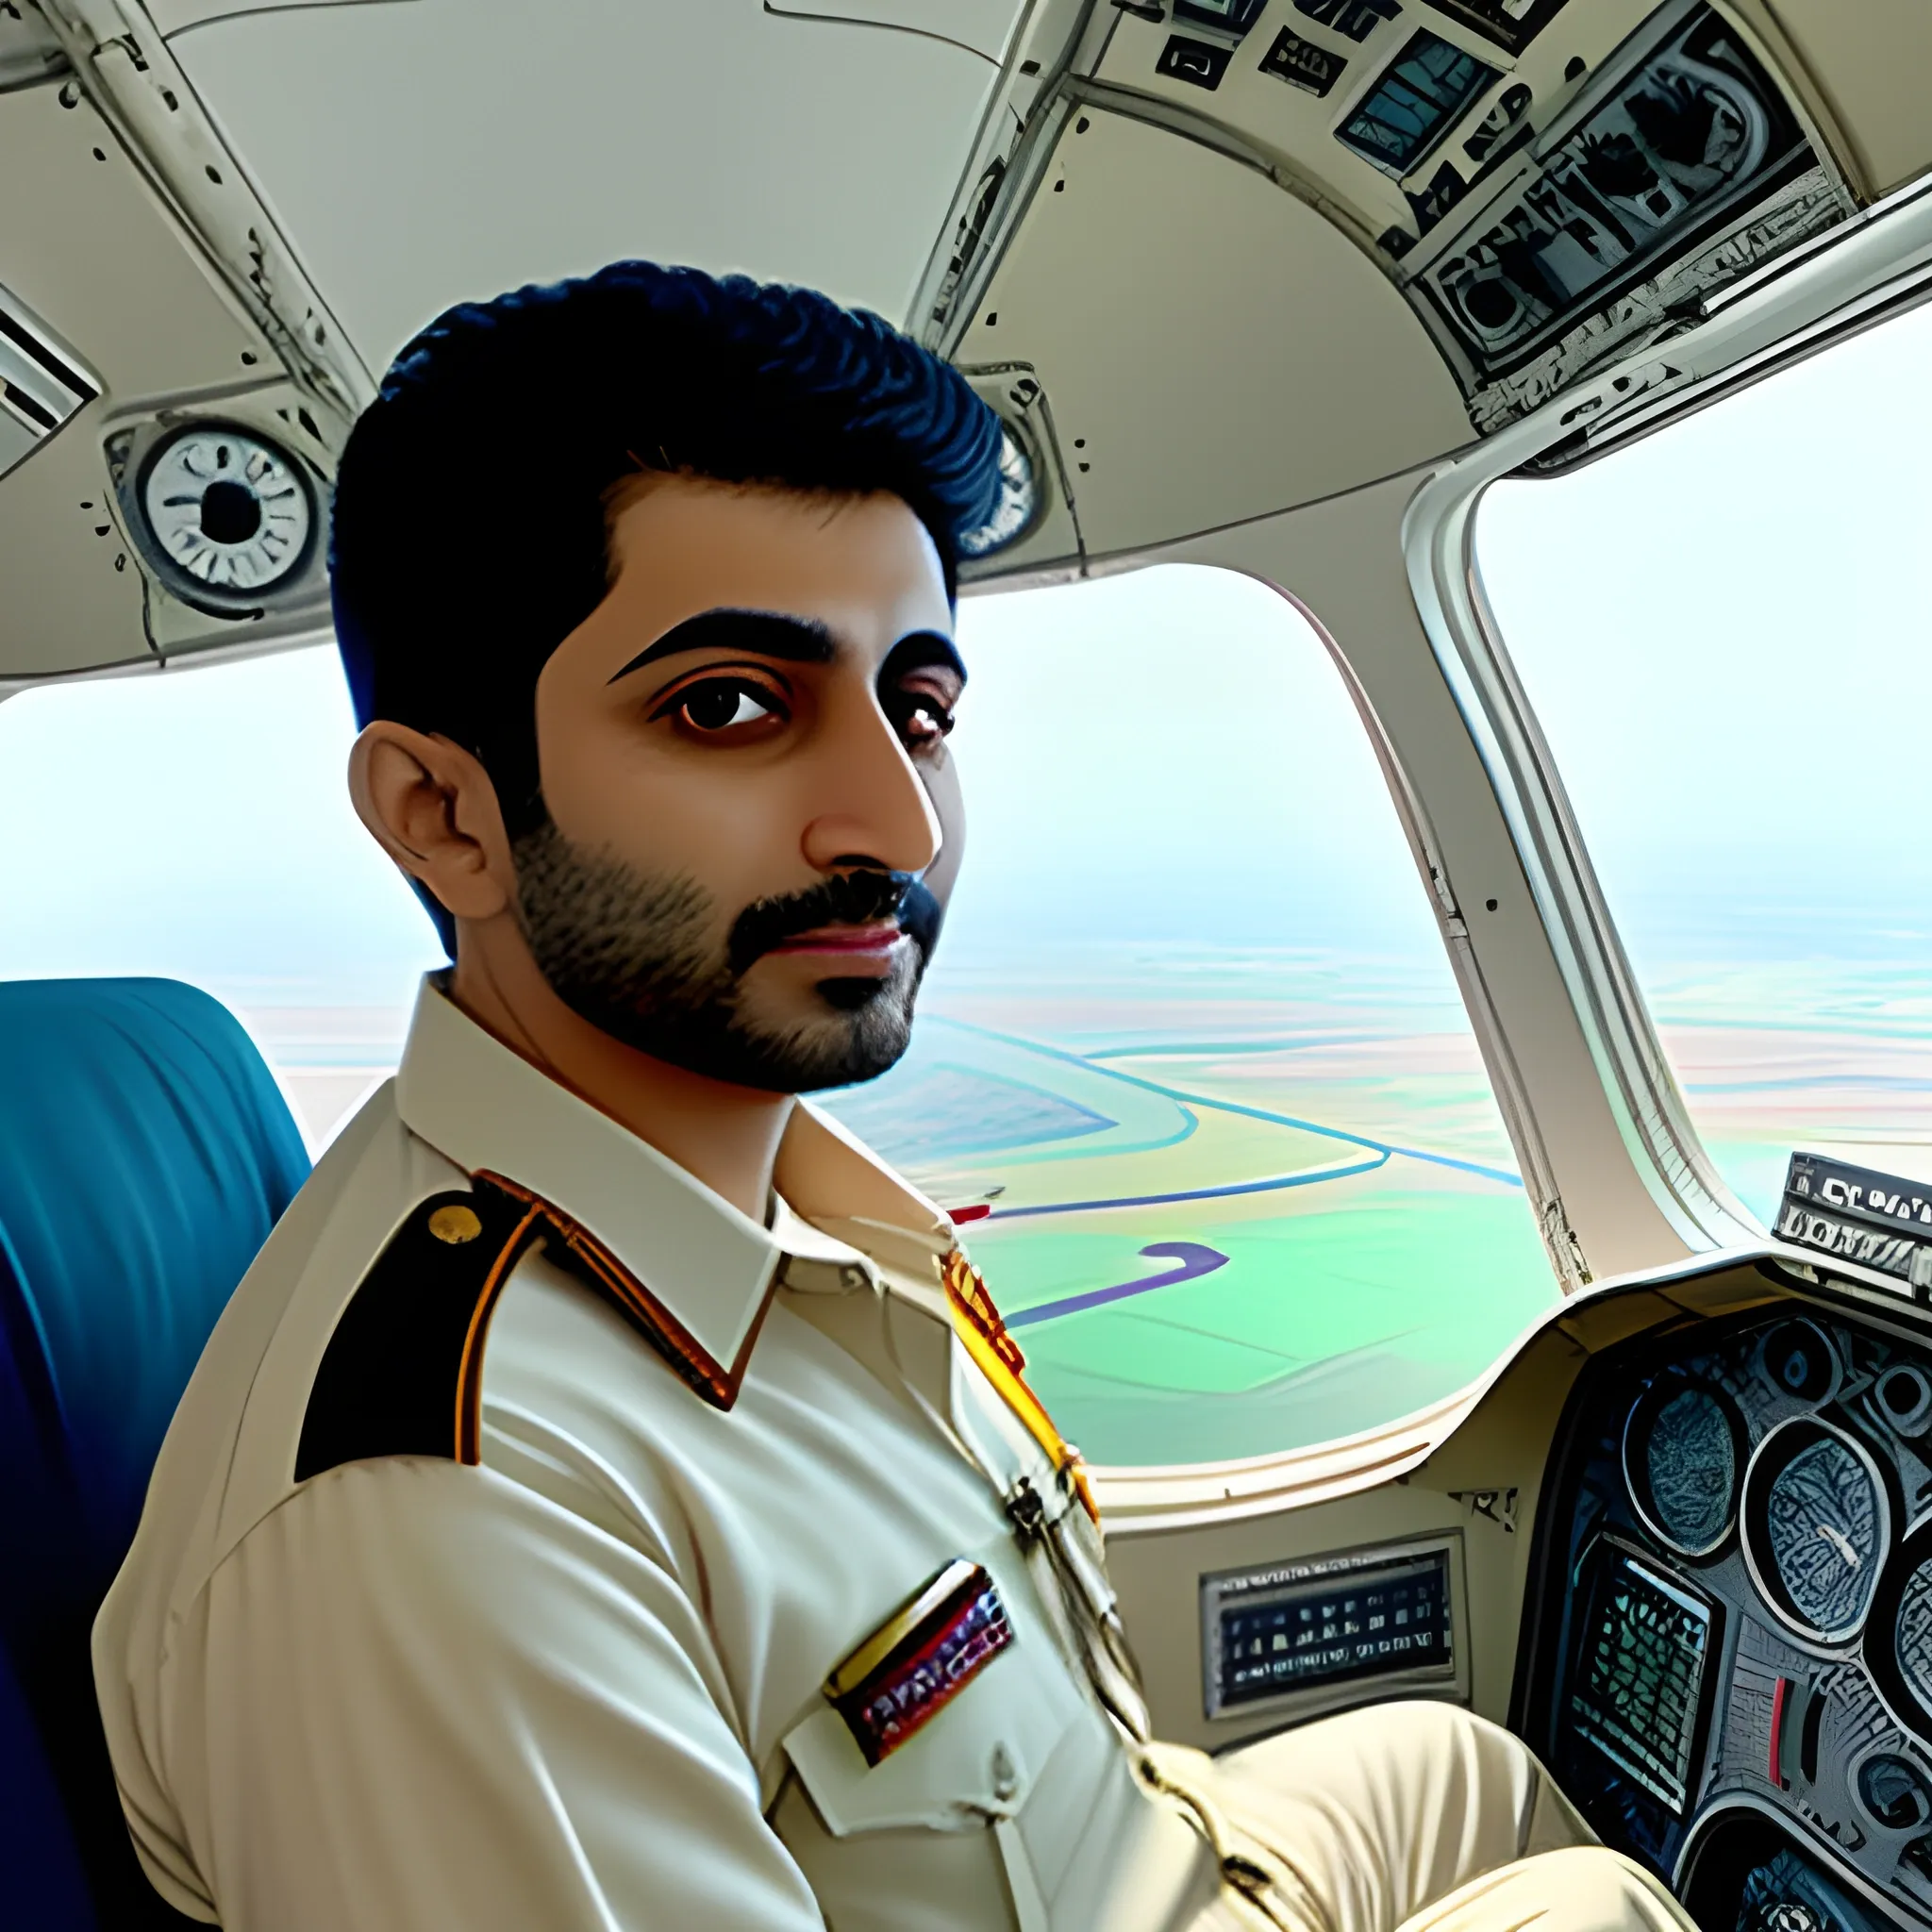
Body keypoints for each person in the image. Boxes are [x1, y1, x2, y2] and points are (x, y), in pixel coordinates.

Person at [92, 261, 1692, 1932]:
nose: (897, 823)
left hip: (1143, 1860)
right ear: (443, 814)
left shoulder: (769, 1203)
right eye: (731, 707)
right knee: (1590, 1908)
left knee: (1468, 1769)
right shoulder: (442, 1527)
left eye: (916, 707)